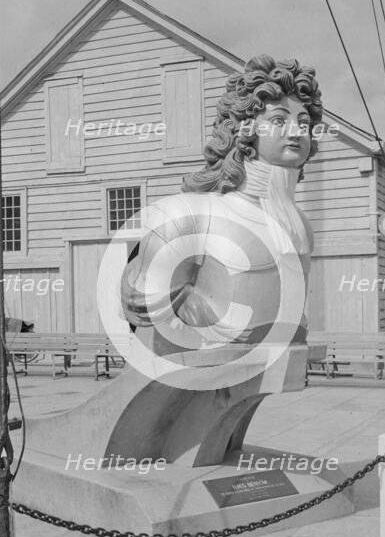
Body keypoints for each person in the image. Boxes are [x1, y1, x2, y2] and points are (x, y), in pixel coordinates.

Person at [121, 55, 322, 355]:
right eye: (279, 120)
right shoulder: (190, 215)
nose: (296, 131)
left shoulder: (300, 226)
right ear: (245, 129)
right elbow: (143, 307)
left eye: (303, 123)